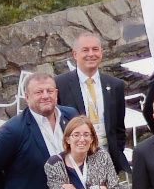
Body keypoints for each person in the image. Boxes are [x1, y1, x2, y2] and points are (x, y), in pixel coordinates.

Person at [55, 30, 130, 178]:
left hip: (108, 158)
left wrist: (116, 151)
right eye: (85, 50)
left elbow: (119, 127)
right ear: (75, 54)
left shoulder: (115, 85)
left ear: (101, 52)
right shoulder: (60, 84)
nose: (91, 54)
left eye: (95, 49)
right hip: (74, 160)